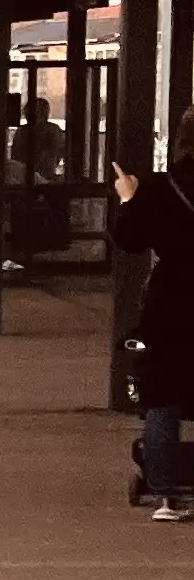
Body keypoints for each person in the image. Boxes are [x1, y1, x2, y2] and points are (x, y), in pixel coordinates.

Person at [110, 122, 194, 519]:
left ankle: (166, 493)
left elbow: (129, 239)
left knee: (163, 391)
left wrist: (128, 197)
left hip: (173, 298)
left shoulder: (162, 188)